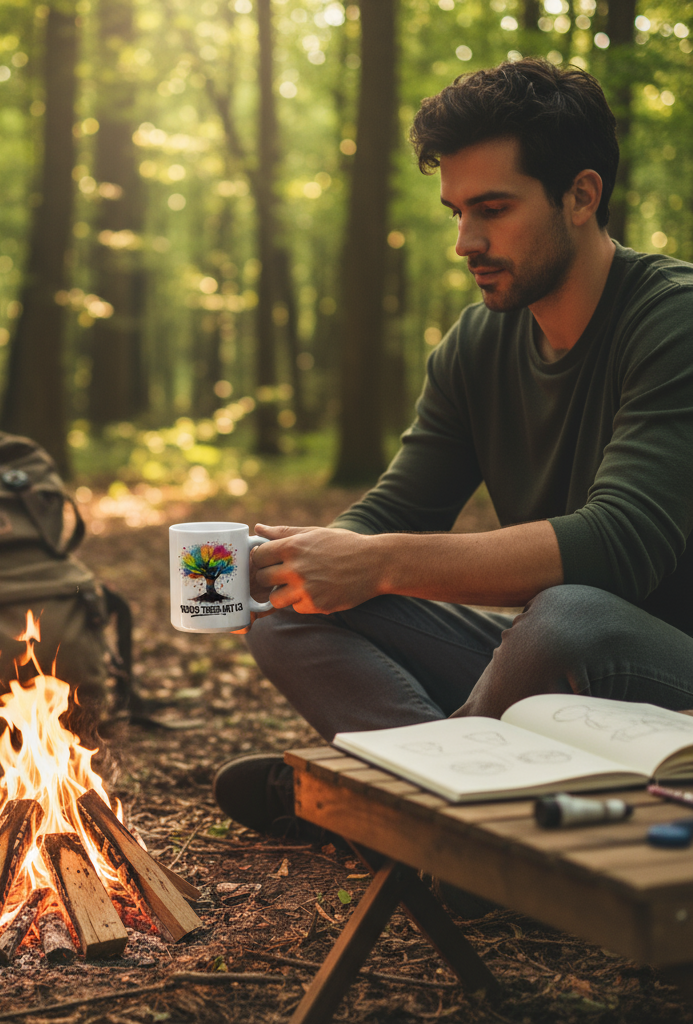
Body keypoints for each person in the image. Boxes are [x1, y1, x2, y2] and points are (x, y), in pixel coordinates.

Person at [213, 57, 693, 840]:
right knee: (290, 616)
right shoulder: (479, 342)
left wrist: (382, 562)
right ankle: (447, 804)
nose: (466, 241)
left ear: (581, 195)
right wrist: (295, 559)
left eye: (493, 209)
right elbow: (399, 508)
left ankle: (403, 812)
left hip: (659, 668)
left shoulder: (673, 323)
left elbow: (620, 547)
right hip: (536, 671)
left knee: (568, 615)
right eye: (456, 212)